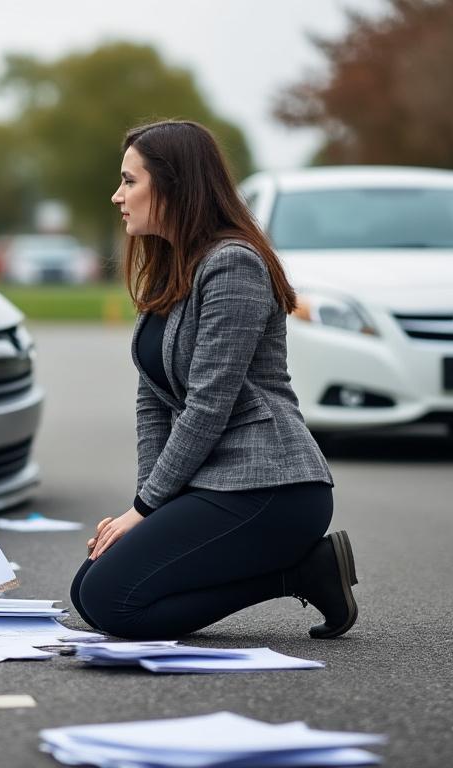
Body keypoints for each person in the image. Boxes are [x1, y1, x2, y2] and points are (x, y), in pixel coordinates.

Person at [69, 120, 359, 641]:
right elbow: (153, 399)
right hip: (213, 481)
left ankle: (300, 571)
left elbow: (208, 404)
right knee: (90, 586)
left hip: (272, 486)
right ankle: (301, 570)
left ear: (174, 184)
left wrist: (144, 511)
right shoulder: (172, 267)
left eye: (130, 181)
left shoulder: (233, 266)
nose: (118, 196)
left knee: (111, 602)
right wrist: (147, 505)